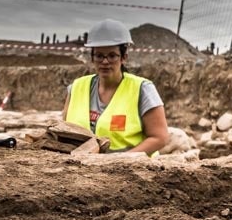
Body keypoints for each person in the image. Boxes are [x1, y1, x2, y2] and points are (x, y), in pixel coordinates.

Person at [61, 19, 170, 155]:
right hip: (82, 170)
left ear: (124, 57)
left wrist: (121, 160)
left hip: (130, 172)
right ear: (92, 58)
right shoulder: (77, 87)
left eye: (112, 56)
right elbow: (63, 131)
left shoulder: (142, 89)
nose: (105, 62)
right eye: (99, 56)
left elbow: (160, 138)